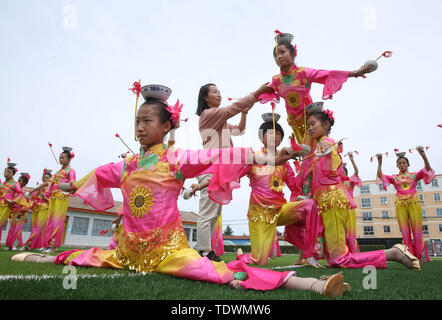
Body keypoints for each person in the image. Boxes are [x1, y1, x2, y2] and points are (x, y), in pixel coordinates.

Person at [11, 84, 348, 297]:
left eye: (148, 121)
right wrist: (68, 183)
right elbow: (97, 175)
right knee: (80, 257)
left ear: (167, 126)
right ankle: (31, 254)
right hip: (126, 255)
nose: (140, 127)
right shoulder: (127, 165)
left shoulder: (177, 161)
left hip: (170, 254)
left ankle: (314, 285)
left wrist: (272, 155)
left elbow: (223, 154)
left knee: (225, 274)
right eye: (138, 122)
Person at [304, 104, 421, 270]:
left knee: (339, 260)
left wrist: (326, 146)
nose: (309, 128)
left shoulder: (327, 142)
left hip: (333, 204)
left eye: (313, 123)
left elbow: (329, 146)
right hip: (325, 205)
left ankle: (393, 253)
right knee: (333, 260)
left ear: (325, 125)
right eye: (307, 125)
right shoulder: (317, 149)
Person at [209, 113, 324, 267]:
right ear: (261, 136)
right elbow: (233, 174)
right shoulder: (254, 157)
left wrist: (308, 168)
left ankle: (310, 254)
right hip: (260, 214)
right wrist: (208, 184)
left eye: (278, 134)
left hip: (280, 210)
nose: (274, 137)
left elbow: (295, 185)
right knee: (259, 261)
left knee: (310, 205)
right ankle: (241, 256)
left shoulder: (285, 162)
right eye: (270, 133)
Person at [194, 83, 273, 261]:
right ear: (205, 98)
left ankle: (208, 251)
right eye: (214, 92)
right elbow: (232, 108)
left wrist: (244, 113)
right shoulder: (209, 114)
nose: (219, 94)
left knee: (214, 213)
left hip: (220, 170)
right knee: (207, 212)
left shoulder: (219, 120)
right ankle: (204, 252)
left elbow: (239, 130)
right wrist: (257, 92)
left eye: (220, 92)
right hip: (210, 169)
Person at [376, 147, 434, 264]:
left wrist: (423, 155)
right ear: (397, 166)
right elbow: (380, 175)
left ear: (408, 164)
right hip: (400, 204)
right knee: (405, 231)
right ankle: (409, 257)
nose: (402, 165)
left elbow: (427, 169)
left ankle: (420, 256)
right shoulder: (395, 178)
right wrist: (380, 162)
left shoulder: (414, 175)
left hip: (414, 203)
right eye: (400, 163)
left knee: (417, 230)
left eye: (404, 163)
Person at [42, 147, 76, 253]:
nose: (61, 159)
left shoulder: (71, 170)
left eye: (63, 158)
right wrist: (46, 194)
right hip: (53, 197)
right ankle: (46, 244)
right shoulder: (57, 172)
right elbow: (51, 184)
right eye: (60, 158)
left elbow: (72, 182)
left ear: (69, 159)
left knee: (57, 220)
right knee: (50, 220)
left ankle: (54, 246)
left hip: (62, 197)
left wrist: (71, 184)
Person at [20, 169, 52, 250]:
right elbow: (33, 198)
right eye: (44, 178)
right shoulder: (38, 188)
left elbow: (53, 200)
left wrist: (47, 199)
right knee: (35, 228)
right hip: (35, 209)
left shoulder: (50, 189)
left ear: (50, 179)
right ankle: (39, 245)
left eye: (47, 178)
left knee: (38, 228)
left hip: (44, 208)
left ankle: (27, 245)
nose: (45, 180)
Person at [342, 149, 362, 253]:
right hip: (340, 210)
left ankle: (354, 253)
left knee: (351, 232)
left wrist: (351, 160)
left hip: (350, 210)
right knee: (341, 233)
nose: (341, 172)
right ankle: (344, 253)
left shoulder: (350, 181)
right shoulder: (336, 184)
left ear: (346, 172)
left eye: (343, 170)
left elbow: (357, 172)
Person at [5, 172, 30, 250]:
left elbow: (27, 203)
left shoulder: (25, 191)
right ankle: (10, 245)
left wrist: (21, 212)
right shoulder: (16, 190)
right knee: (11, 229)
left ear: (25, 183)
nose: (18, 182)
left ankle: (15, 245)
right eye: (18, 180)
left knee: (17, 229)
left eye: (20, 181)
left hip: (20, 212)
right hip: (14, 211)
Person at [0, 162, 22, 247]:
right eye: (6, 171)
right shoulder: (2, 184)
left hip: (6, 206)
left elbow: (20, 194)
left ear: (13, 174)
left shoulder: (15, 184)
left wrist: (13, 201)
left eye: (9, 172)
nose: (7, 173)